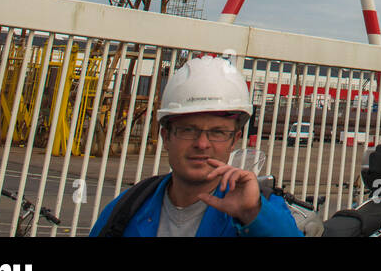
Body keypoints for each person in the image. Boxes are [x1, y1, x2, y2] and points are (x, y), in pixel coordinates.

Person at [89, 55, 301, 237]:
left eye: (217, 132)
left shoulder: (260, 210)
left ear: (234, 140)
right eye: (188, 130)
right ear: (166, 136)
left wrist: (253, 214)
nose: (201, 144)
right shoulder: (126, 210)